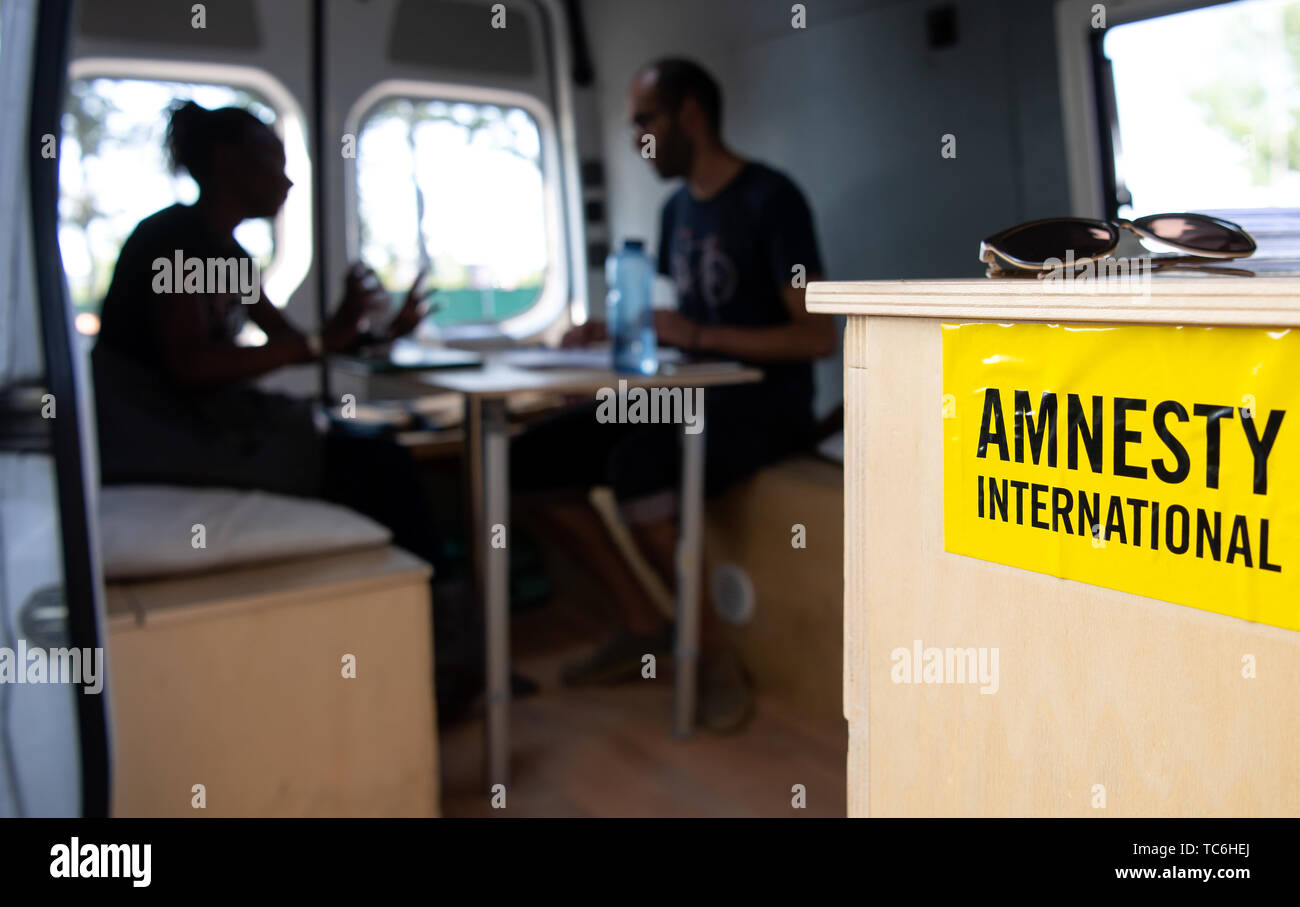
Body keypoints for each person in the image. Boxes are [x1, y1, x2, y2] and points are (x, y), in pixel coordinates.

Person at [91, 100, 490, 721]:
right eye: (272, 160)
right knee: (379, 466)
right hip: (157, 434)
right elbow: (189, 366)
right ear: (226, 164)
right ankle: (446, 659)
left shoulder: (229, 254)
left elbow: (301, 344)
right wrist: (321, 341)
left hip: (204, 424)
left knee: (378, 455)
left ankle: (447, 651)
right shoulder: (172, 242)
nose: (286, 178)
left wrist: (370, 331)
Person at [512, 58, 836, 732]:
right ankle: (642, 622)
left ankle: (710, 652)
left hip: (765, 402)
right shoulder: (675, 210)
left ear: (690, 113)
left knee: (638, 463)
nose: (637, 137)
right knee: (530, 460)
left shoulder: (771, 200)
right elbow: (678, 335)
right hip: (689, 391)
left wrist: (696, 330)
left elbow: (815, 338)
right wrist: (610, 334)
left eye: (645, 121)